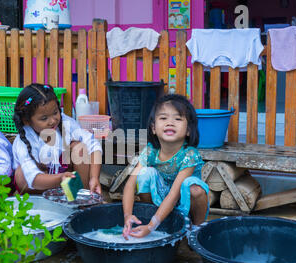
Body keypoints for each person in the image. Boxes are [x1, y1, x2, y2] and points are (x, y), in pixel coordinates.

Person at [122, 94, 209, 239]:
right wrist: (127, 215)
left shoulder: (190, 154)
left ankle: (197, 230)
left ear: (188, 130)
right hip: (160, 199)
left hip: (183, 202)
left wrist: (150, 227)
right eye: (163, 118)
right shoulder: (150, 151)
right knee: (144, 174)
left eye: (178, 119)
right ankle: (153, 217)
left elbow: (174, 195)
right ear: (153, 128)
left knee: (194, 188)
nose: (170, 123)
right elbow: (130, 185)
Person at [12, 83, 102, 195]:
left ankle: (83, 196)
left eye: (55, 113)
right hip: (36, 186)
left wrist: (94, 177)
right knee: (21, 173)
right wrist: (60, 178)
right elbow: (33, 178)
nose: (53, 121)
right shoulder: (23, 140)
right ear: (27, 120)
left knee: (79, 148)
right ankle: (45, 199)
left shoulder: (65, 122)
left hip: (62, 177)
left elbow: (93, 144)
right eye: (44, 118)